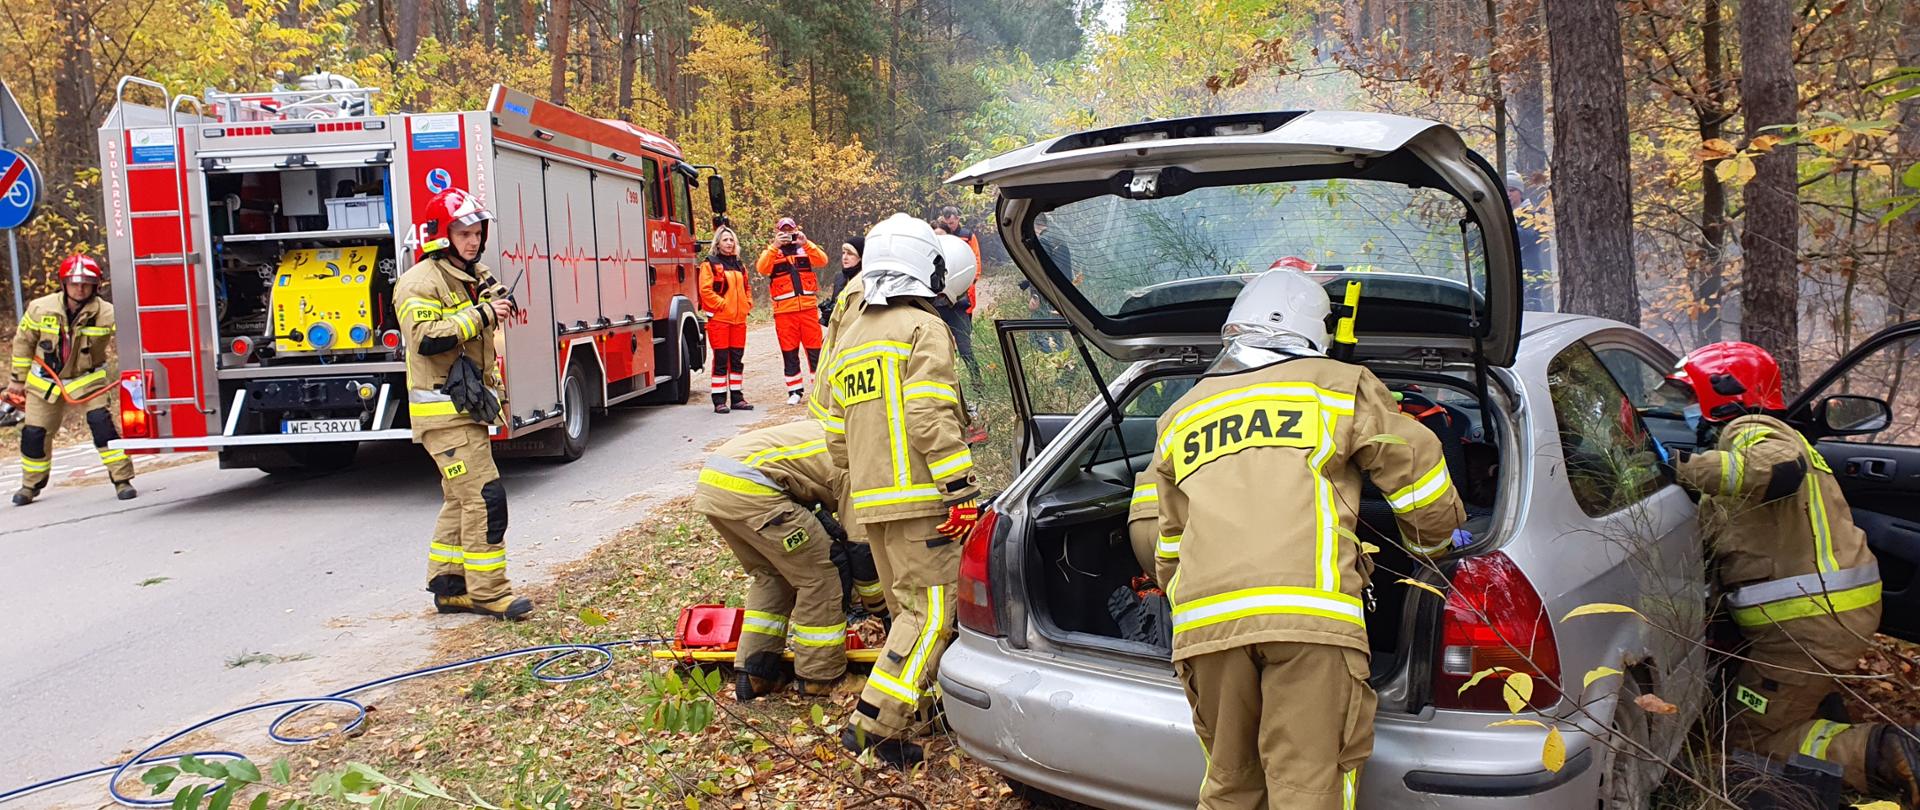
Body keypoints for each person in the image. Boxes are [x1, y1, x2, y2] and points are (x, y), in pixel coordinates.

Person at [1139, 269, 1466, 809]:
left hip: (1206, 628)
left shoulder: (1181, 413)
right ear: (1315, 331)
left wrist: (1188, 603)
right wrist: (1433, 553)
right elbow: (1415, 464)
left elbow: (1170, 538)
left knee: (1229, 784)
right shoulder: (1337, 385)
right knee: (1306, 787)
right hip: (1309, 619)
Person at [1669, 341, 1920, 803]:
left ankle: (1888, 753)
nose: (1686, 409)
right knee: (1778, 711)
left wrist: (1677, 467)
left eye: (1689, 396)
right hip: (1822, 616)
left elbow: (1778, 470)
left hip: (1807, 624)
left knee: (1747, 741)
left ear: (1723, 394)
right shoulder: (1771, 436)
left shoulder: (1752, 429)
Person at [822, 213, 979, 768]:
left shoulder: (852, 334)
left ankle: (927, 711)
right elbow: (930, 414)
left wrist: (863, 483)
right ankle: (875, 726)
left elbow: (834, 431)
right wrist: (960, 488)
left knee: (904, 611)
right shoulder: (922, 327)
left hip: (873, 502)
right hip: (920, 501)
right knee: (931, 615)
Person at [394, 187, 532, 620]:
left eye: (477, 233)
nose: (473, 242)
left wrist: (494, 297)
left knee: (460, 499)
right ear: (442, 235)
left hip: (465, 411)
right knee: (485, 499)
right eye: (463, 233)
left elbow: (491, 302)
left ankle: (450, 587)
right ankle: (490, 593)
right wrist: (484, 314)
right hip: (444, 416)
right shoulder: (419, 282)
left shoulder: (468, 274)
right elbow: (425, 338)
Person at [696, 420, 864, 700]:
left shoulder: (837, 431)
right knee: (823, 574)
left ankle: (757, 672)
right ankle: (822, 677)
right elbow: (858, 539)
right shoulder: (858, 459)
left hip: (714, 486)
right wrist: (873, 599)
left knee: (772, 574)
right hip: (754, 490)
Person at [8, 254, 136, 505]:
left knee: (102, 425)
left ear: (96, 286)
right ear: (63, 284)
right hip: (45, 384)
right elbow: (23, 343)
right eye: (74, 283)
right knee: (34, 434)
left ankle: (122, 480)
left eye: (86, 283)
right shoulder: (40, 308)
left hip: (88, 382)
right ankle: (30, 485)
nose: (80, 288)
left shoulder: (107, 313)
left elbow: (133, 337)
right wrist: (17, 380)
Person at [757, 218, 830, 405]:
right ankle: (794, 391)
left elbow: (823, 260)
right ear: (777, 232)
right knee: (789, 353)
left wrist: (806, 243)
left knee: (815, 351)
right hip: (784, 313)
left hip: (808, 310)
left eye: (790, 230)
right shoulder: (772, 252)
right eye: (784, 231)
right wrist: (775, 246)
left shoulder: (805, 248)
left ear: (796, 230)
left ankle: (819, 389)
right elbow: (762, 268)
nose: (787, 234)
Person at [700, 226, 753, 413]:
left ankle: (737, 398)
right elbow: (705, 291)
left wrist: (747, 304)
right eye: (725, 240)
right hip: (720, 321)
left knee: (737, 360)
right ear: (718, 243)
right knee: (721, 360)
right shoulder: (709, 264)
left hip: (739, 321)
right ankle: (719, 400)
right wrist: (722, 305)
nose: (729, 243)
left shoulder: (739, 265)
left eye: (731, 240)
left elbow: (747, 287)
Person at [934, 206, 981, 381]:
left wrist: (970, 283)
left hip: (959, 307)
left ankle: (977, 383)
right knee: (940, 351)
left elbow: (975, 262)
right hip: (936, 309)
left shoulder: (963, 242)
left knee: (966, 349)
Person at [819, 236, 863, 328]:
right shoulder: (840, 277)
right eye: (843, 253)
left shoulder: (866, 281)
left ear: (861, 257)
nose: (845, 257)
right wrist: (830, 314)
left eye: (850, 254)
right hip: (839, 331)